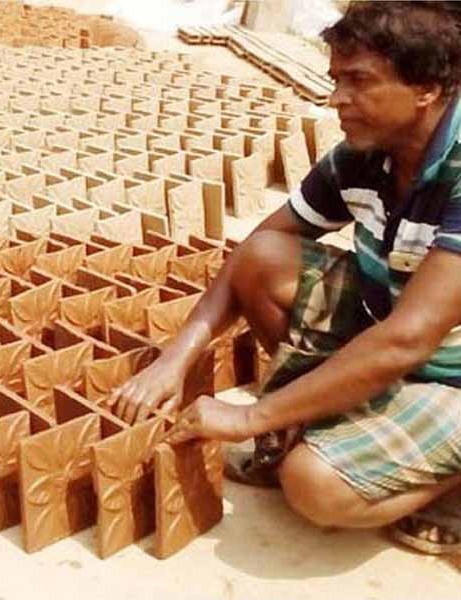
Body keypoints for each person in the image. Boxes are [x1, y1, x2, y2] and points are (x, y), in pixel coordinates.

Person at [111, 0, 461, 554]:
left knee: (312, 485)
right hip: (387, 324)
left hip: (449, 374)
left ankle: (450, 483)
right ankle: (334, 413)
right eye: (335, 80)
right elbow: (255, 251)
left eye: (359, 81)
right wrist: (177, 357)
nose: (337, 99)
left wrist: (253, 416)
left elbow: (408, 340)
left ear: (427, 89)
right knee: (267, 257)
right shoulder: (364, 155)